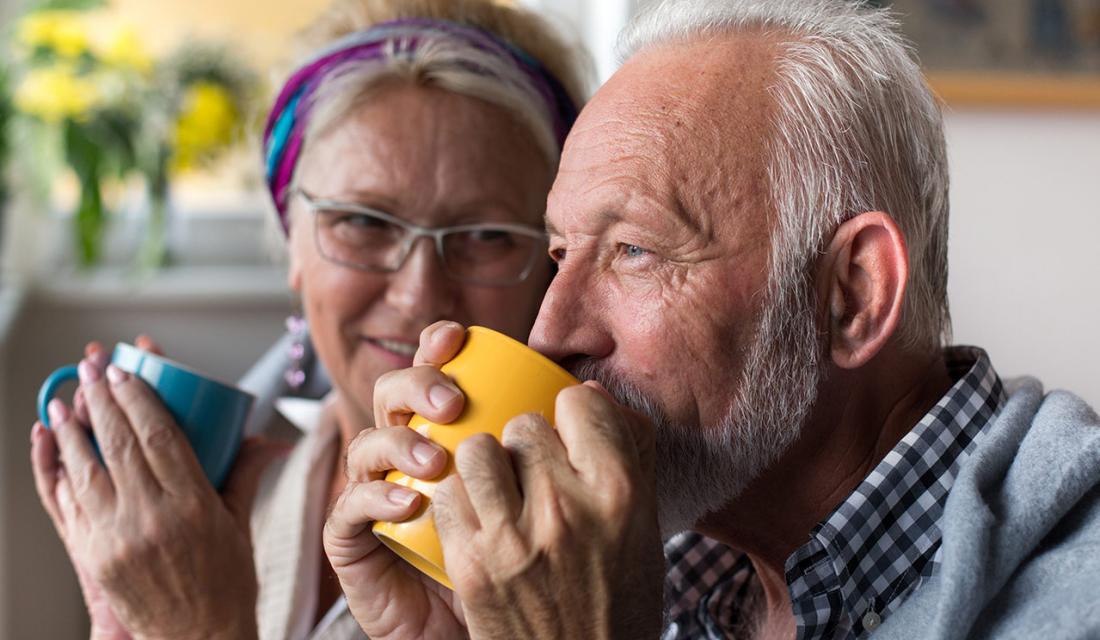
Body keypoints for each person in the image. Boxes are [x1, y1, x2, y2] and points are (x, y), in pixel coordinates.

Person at [324, 0, 1100, 638]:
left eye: (634, 251)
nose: (550, 334)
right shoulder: (680, 567)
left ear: (853, 295)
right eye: (561, 255)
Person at [27, 1, 587, 638]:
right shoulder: (212, 521)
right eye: (363, 223)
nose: (418, 295)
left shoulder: (587, 562)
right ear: (289, 243)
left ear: (550, 261)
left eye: (485, 235)